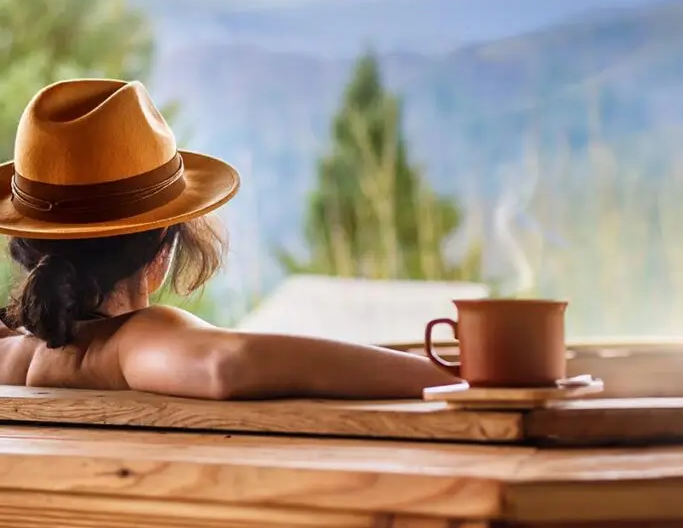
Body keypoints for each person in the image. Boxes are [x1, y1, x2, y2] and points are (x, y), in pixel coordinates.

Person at [0, 78, 456, 399]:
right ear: (161, 251)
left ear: (27, 244)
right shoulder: (127, 344)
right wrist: (453, 377)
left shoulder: (14, 356)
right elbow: (226, 363)